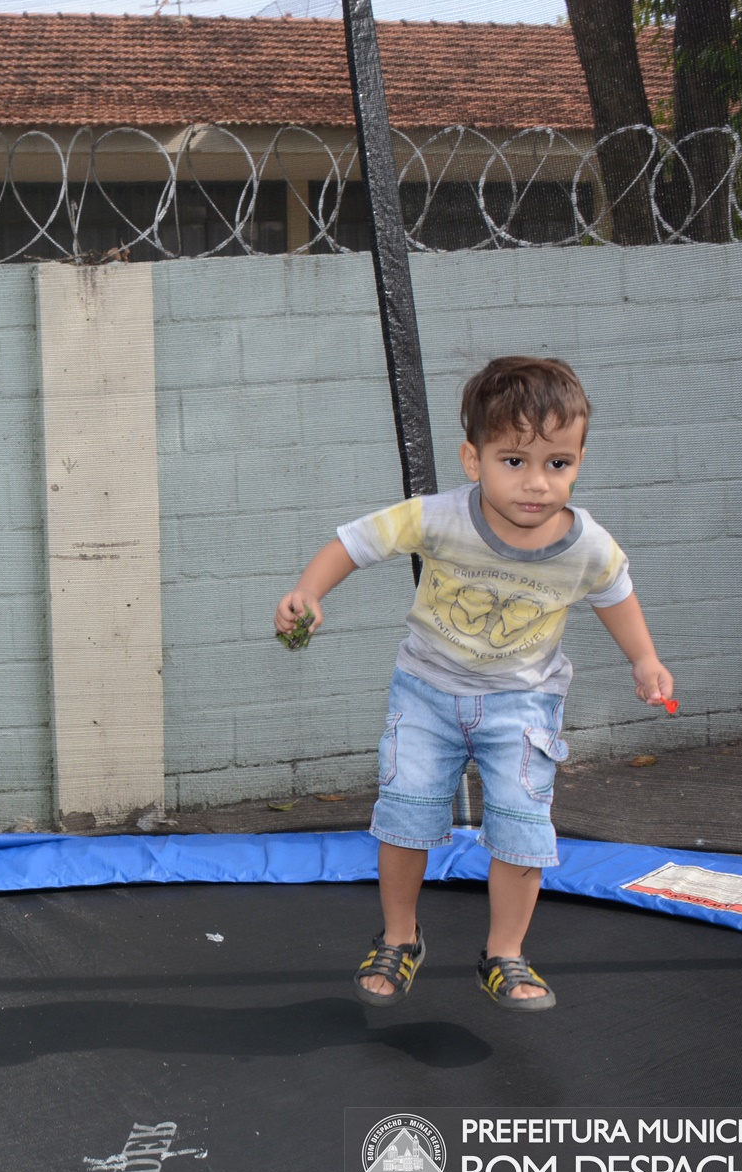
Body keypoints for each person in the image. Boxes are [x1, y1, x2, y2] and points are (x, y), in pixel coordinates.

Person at [275, 356, 672, 1013]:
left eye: (558, 463)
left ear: (578, 462)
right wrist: (308, 591)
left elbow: (615, 594)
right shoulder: (438, 518)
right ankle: (400, 937)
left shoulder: (588, 545)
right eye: (514, 460)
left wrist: (645, 660)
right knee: (404, 814)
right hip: (426, 691)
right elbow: (355, 542)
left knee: (522, 825)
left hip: (524, 702)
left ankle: (505, 953)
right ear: (473, 459)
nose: (537, 482)